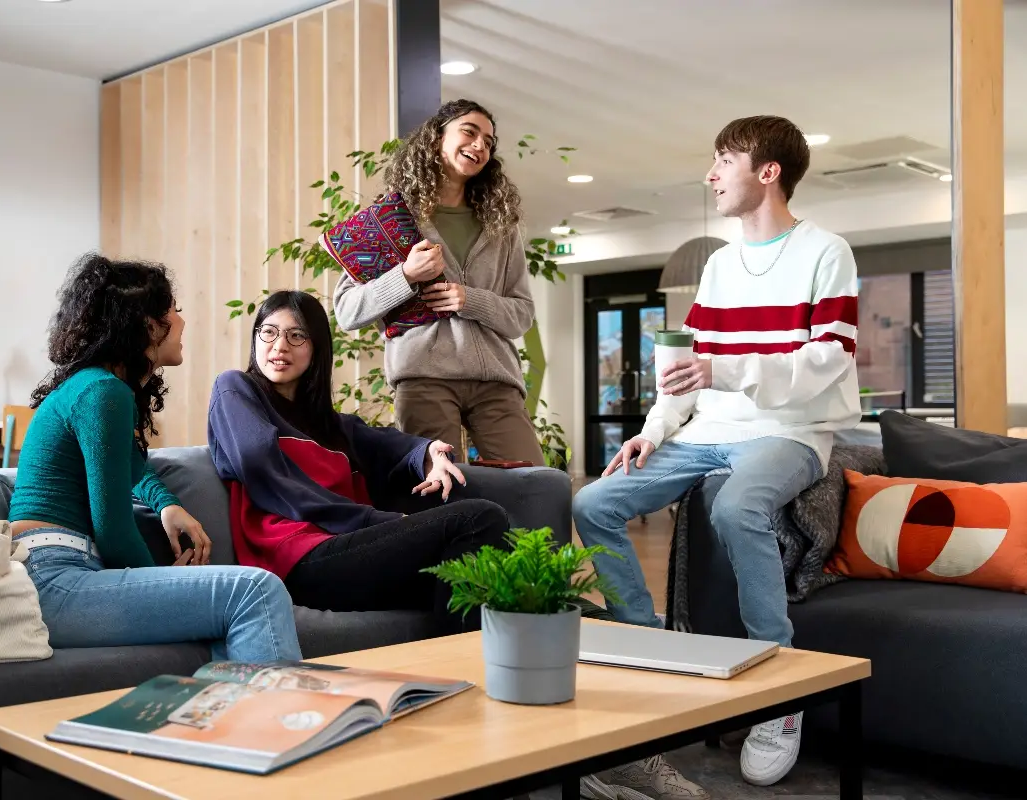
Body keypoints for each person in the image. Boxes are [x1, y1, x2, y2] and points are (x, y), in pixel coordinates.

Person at [574, 115, 861, 794]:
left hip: (790, 430)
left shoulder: (826, 250)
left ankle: (782, 689)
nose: (710, 175)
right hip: (707, 430)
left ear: (768, 172)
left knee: (736, 508)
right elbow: (684, 368)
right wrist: (654, 430)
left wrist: (721, 374)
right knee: (595, 500)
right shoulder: (719, 266)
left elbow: (829, 356)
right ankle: (653, 650)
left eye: (723, 161)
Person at [5, 254, 301, 663]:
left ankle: (224, 718)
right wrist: (159, 578)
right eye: (173, 311)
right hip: (53, 579)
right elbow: (113, 528)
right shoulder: (103, 393)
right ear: (146, 324)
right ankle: (282, 723)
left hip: (53, 572)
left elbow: (129, 466)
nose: (181, 322)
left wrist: (167, 504)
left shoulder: (93, 387)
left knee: (221, 619)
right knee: (255, 589)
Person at [207, 289, 512, 636]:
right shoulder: (236, 389)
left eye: (296, 336)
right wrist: (376, 520)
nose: (279, 346)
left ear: (317, 347)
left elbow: (391, 445)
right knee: (478, 519)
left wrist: (430, 455)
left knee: (498, 568)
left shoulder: (334, 426)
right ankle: (463, 663)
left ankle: (463, 669)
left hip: (351, 552)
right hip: (298, 558)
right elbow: (260, 467)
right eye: (269, 331)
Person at [332, 98, 544, 466]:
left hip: (496, 381)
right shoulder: (389, 217)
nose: (480, 145)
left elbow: (522, 315)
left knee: (536, 484)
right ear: (436, 139)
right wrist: (406, 275)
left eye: (489, 142)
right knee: (443, 495)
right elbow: (348, 311)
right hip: (423, 378)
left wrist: (470, 299)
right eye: (470, 132)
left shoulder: (501, 225)